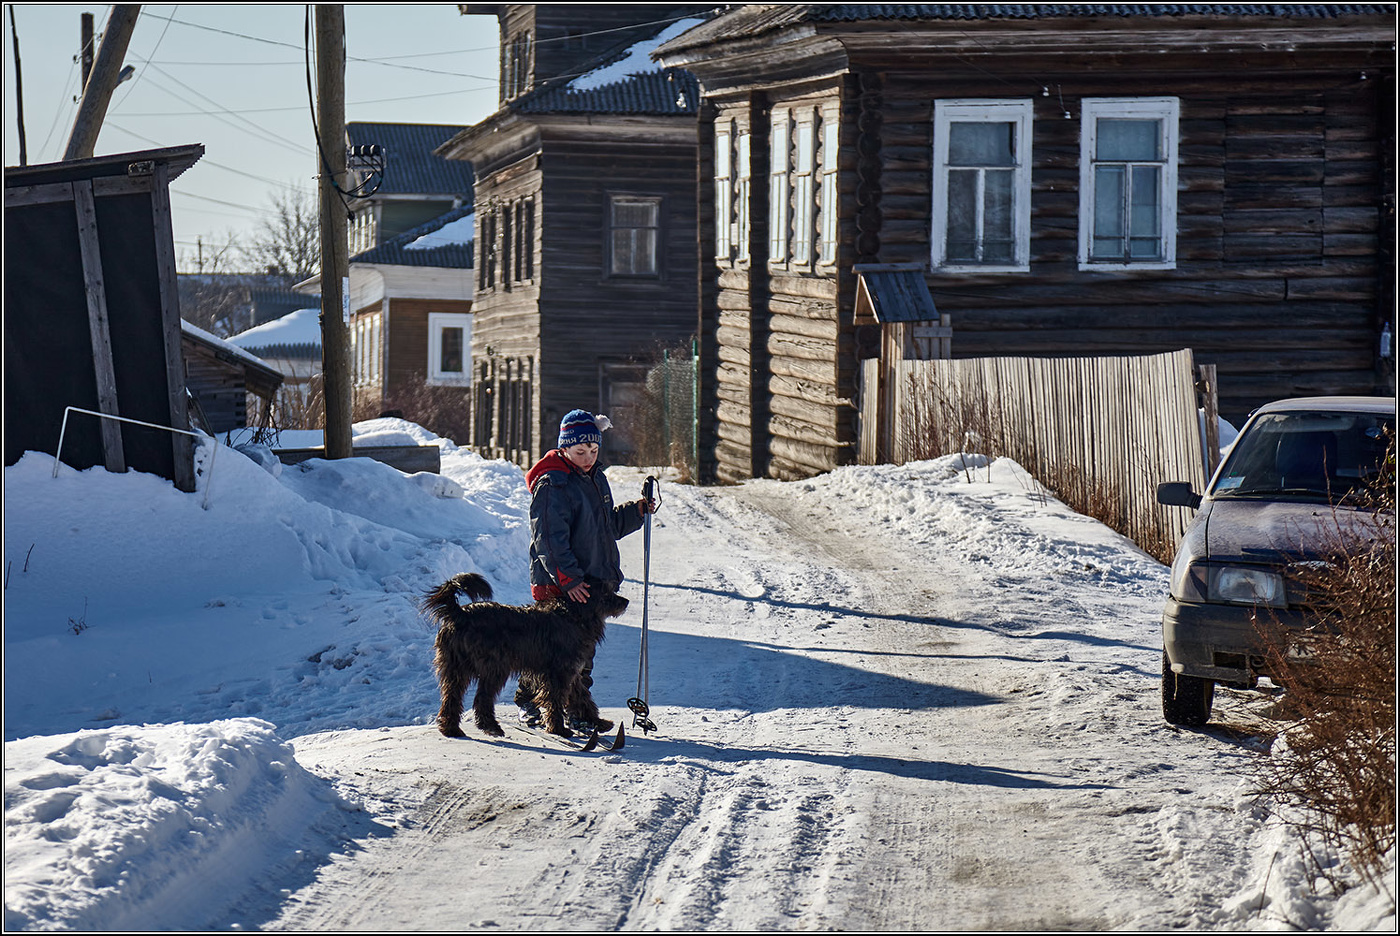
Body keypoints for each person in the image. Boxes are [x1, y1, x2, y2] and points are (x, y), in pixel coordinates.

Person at [516, 409, 654, 730]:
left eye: (594, 450)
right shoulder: (553, 484)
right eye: (580, 452)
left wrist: (637, 511)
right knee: (552, 650)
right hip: (562, 583)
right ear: (564, 448)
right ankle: (532, 702)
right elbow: (548, 539)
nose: (588, 457)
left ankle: (575, 708)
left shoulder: (595, 478)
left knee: (581, 651)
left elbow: (608, 527)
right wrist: (569, 579)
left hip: (591, 583)